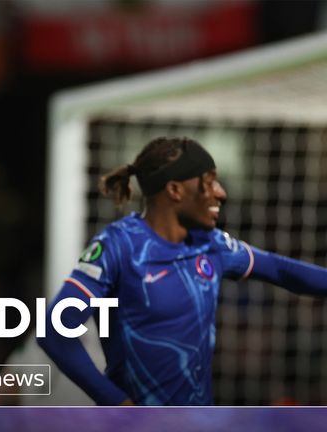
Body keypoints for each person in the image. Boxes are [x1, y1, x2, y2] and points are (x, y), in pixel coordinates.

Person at [38, 136, 327, 406]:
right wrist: (117, 404)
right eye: (210, 182)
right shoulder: (119, 245)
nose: (221, 193)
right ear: (175, 189)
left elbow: (281, 269)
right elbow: (54, 330)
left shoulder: (211, 244)